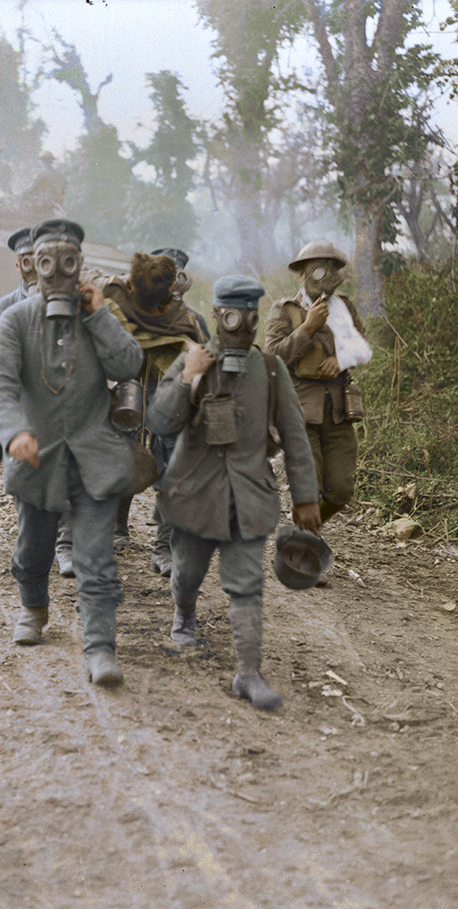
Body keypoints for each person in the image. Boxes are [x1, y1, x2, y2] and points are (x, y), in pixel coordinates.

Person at [147, 275, 320, 710]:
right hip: (193, 494)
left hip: (247, 496)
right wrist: (189, 378)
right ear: (218, 315)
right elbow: (160, 423)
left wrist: (306, 497)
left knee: (247, 583)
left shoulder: (271, 369)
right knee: (186, 573)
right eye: (231, 316)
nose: (240, 328)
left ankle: (248, 673)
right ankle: (184, 611)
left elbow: (296, 438)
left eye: (248, 318)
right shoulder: (193, 360)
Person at [0, 218, 143, 687]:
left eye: (67, 263)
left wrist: (98, 315)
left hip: (94, 457)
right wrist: (14, 433)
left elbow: (130, 364)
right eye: (47, 263)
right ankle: (33, 610)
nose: (56, 275)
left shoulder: (97, 317)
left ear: (79, 267)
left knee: (96, 557)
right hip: (37, 456)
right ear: (33, 265)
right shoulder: (15, 320)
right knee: (33, 550)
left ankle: (99, 648)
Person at [95, 251, 208, 560]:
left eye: (176, 278)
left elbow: (206, 359)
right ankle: (117, 529)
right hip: (130, 401)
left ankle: (164, 547)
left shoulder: (192, 320)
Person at [263, 241, 370, 540]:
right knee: (309, 487)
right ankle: (306, 542)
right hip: (299, 412)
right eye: (315, 269)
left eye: (329, 268)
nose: (323, 276)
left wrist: (341, 359)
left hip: (338, 411)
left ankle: (305, 532)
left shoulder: (344, 307)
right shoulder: (284, 310)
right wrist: (307, 328)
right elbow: (273, 357)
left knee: (341, 489)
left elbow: (361, 344)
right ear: (300, 275)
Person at [0, 226, 38, 475]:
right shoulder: (6, 306)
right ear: (18, 266)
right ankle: (1, 436)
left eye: (41, 260)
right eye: (27, 261)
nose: (34, 268)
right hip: (18, 391)